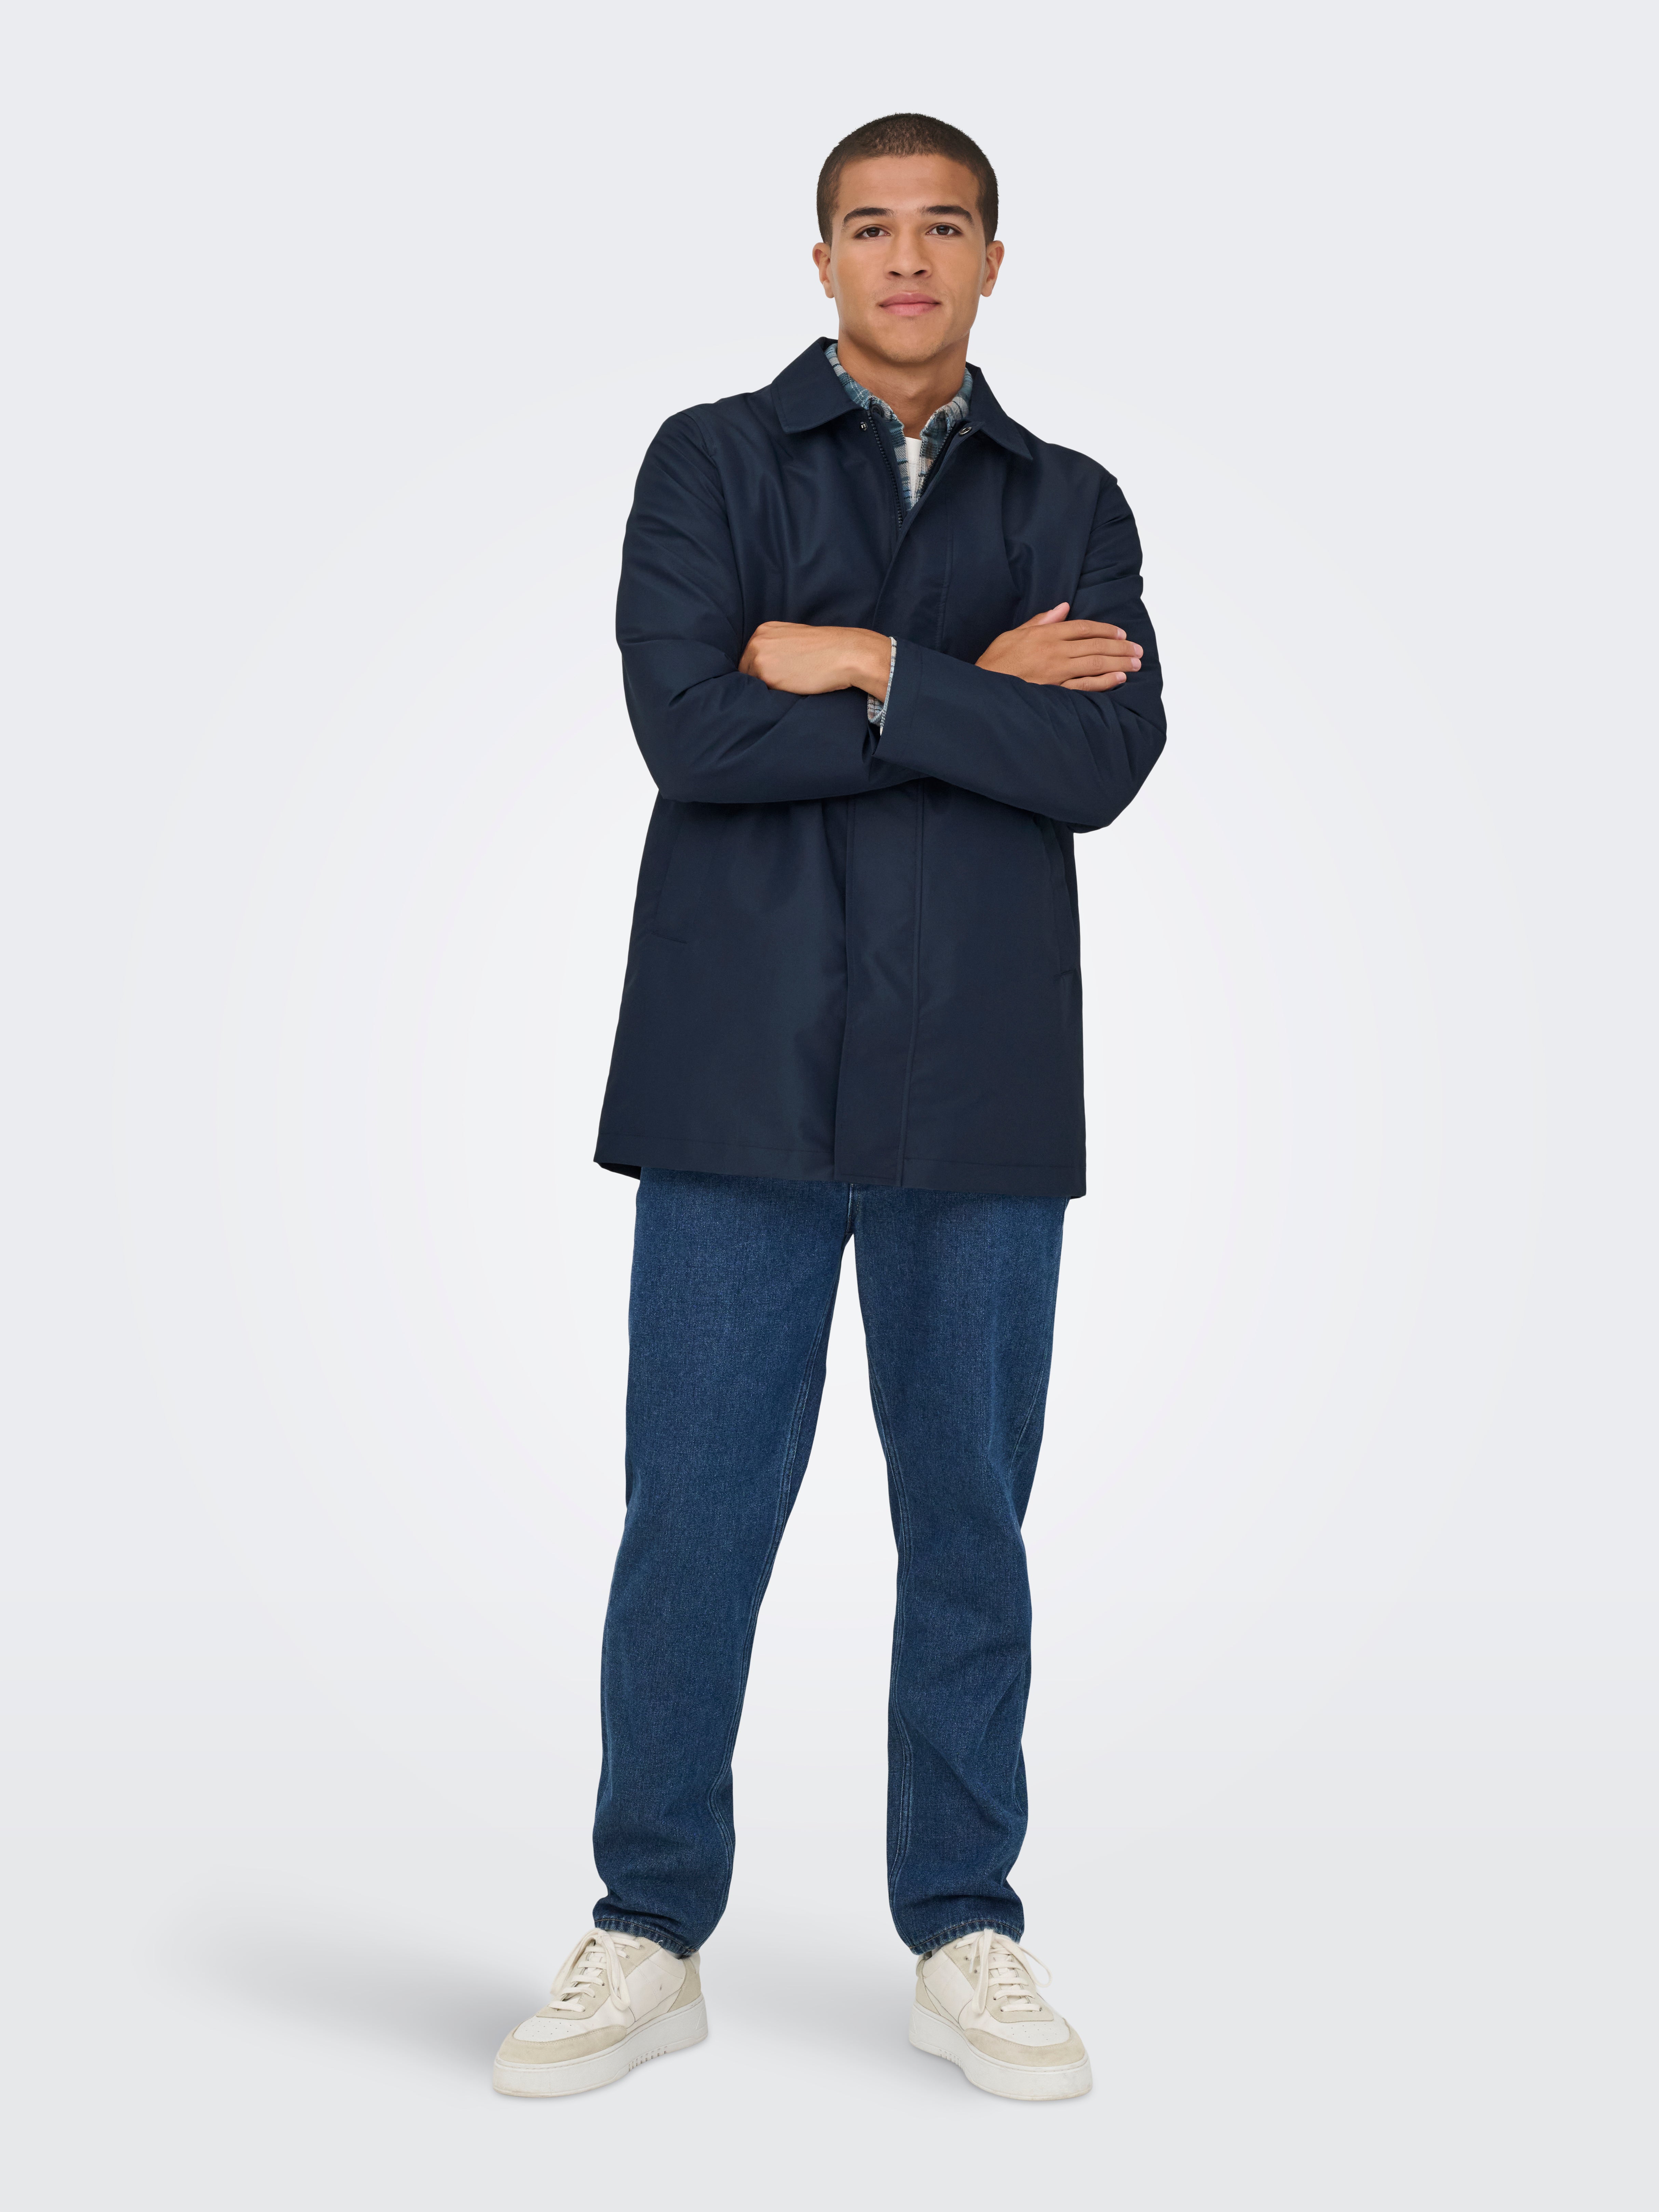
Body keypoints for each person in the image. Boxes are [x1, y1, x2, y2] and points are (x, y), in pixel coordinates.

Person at [493, 112, 1165, 2104]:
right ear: (820, 261)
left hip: (980, 1081)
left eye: (942, 226)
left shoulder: (1071, 499)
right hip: (739, 1078)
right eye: (869, 228)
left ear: (993, 259)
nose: (905, 258)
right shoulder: (710, 461)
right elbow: (692, 730)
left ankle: (963, 1925)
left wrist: (867, 658)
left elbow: (1102, 761)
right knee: (694, 1516)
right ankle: (647, 1925)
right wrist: (973, 696)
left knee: (968, 1520)